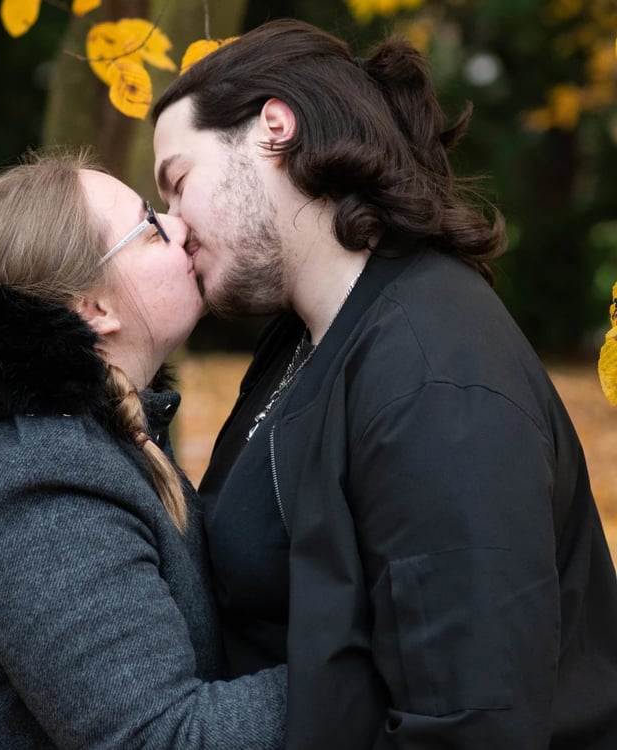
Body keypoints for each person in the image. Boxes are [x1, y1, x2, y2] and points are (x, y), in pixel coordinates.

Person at [152, 18, 617, 750]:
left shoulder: (435, 368)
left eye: (178, 182)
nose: (173, 226)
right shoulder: (309, 339)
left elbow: (469, 723)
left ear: (274, 128)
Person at [0, 151, 286, 748]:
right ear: (93, 308)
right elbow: (161, 737)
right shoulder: (29, 480)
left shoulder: (79, 447)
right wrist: (390, 673)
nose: (181, 226)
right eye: (151, 227)